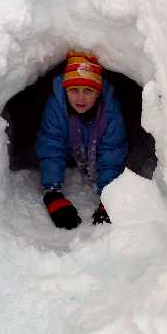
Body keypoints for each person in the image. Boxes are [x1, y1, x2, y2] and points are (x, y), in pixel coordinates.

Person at [36, 51, 128, 229]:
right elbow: (51, 146)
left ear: (98, 93)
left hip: (94, 154)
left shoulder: (109, 113)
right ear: (65, 90)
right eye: (73, 90)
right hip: (71, 155)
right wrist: (52, 192)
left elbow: (112, 153)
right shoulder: (57, 107)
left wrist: (108, 197)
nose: (80, 97)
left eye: (88, 90)